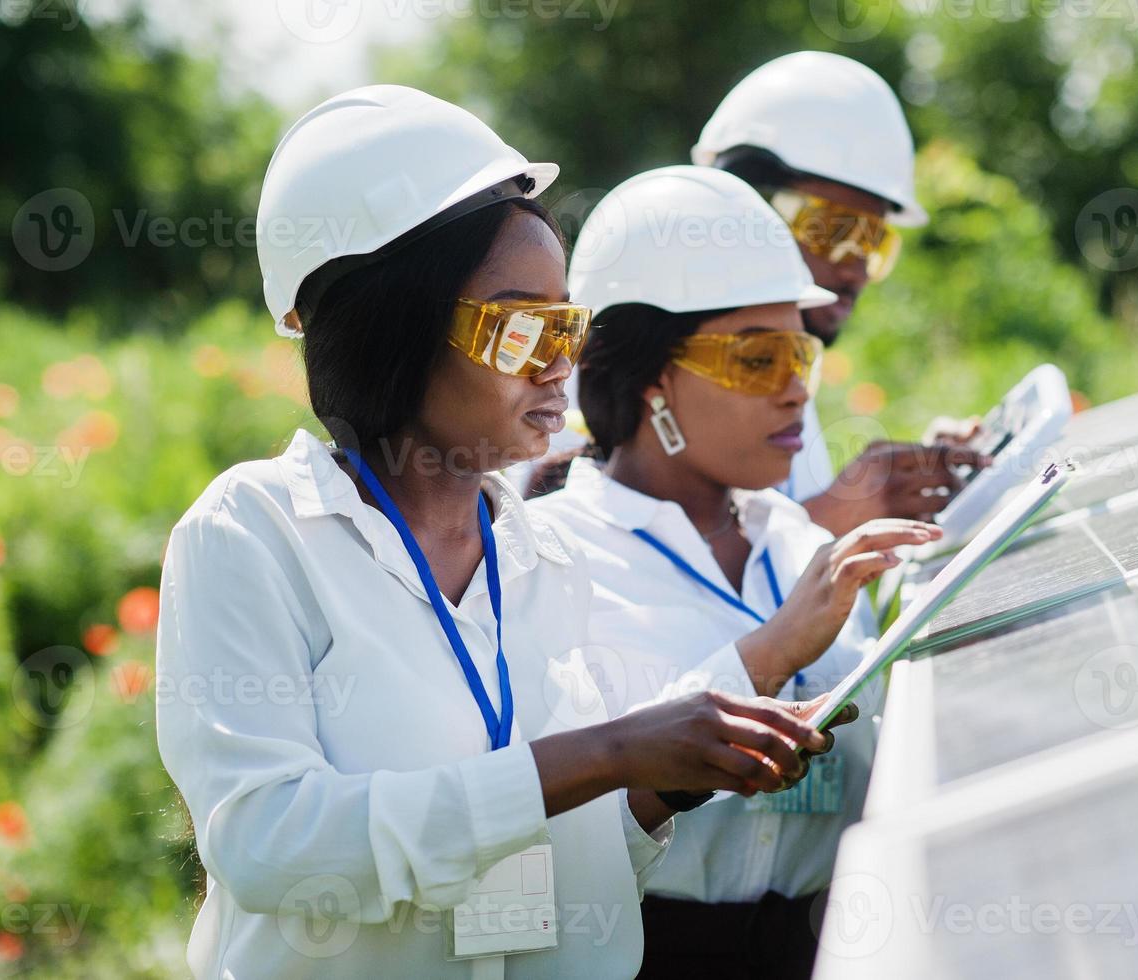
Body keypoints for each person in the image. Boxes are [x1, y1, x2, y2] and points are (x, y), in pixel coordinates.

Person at [155, 86, 846, 980]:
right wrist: (607, 752)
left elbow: (566, 861)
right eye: (522, 327)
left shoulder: (543, 554)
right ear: (391, 326)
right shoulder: (255, 534)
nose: (561, 361)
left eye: (567, 324)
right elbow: (273, 844)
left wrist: (653, 785)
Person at [529, 165, 944, 979]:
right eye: (756, 360)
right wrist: (772, 653)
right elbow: (551, 837)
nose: (795, 391)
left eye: (802, 354)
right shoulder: (544, 559)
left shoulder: (797, 542)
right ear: (652, 384)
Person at [692, 51, 993, 536]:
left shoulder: (788, 372)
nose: (856, 271)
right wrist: (848, 508)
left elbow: (784, 527)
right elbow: (666, 587)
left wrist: (897, 486)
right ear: (747, 204)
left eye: (873, 241)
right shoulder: (649, 372)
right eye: (832, 231)